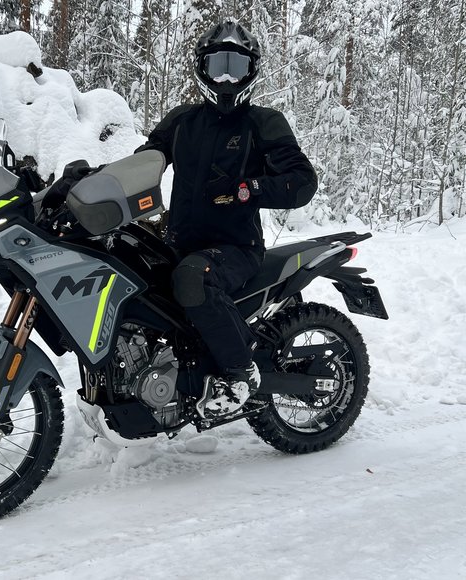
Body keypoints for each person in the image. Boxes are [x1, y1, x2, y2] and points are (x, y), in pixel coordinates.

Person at [136, 20, 318, 418]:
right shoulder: (181, 121)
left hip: (236, 248)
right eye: (217, 65)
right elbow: (142, 162)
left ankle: (240, 373)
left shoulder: (262, 122)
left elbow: (302, 182)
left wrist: (252, 188)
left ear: (251, 72)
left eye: (235, 67)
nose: (225, 77)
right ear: (201, 69)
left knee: (192, 277)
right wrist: (91, 181)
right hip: (180, 242)